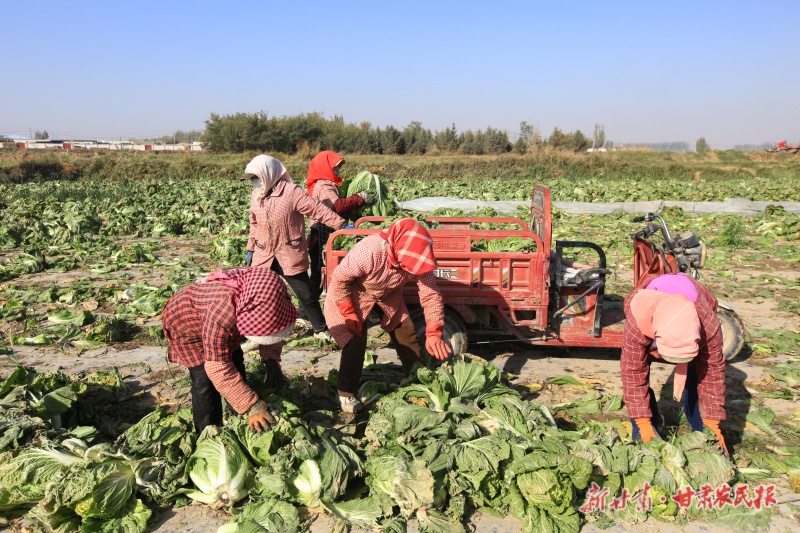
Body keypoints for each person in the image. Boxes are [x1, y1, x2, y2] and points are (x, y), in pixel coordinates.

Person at [324, 218, 452, 413]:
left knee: (407, 331)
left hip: (388, 295)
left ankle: (417, 381)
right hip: (352, 294)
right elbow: (340, 281)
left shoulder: (419, 255)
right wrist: (349, 313)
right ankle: (345, 393)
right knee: (355, 340)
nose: (411, 269)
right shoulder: (369, 251)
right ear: (396, 249)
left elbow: (430, 294)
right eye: (407, 264)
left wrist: (434, 331)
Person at [162, 267, 297, 433]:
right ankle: (207, 432)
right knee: (204, 381)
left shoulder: (267, 295)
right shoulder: (222, 313)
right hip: (186, 325)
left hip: (217, 321)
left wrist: (271, 360)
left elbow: (272, 326)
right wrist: (252, 406)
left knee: (236, 363)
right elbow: (218, 367)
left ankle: (236, 419)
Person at [242, 154, 350, 344]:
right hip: (264, 253)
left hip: (288, 252)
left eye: (256, 177)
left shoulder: (291, 192)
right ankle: (261, 332)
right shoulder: (257, 194)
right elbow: (254, 223)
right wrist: (251, 247)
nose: (254, 182)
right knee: (261, 294)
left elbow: (316, 209)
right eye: (252, 179)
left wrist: (340, 224)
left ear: (268, 173)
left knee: (306, 295)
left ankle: (320, 329)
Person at [621, 272, 728, 455]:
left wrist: (713, 422)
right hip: (651, 322)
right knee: (637, 371)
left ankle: (701, 428)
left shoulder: (709, 325)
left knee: (700, 374)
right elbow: (632, 372)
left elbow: (713, 372)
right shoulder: (637, 321)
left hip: (697, 317)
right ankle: (647, 426)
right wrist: (642, 423)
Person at [304, 150, 375, 325]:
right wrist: (359, 198)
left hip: (325, 231)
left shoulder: (324, 184)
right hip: (323, 233)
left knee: (320, 275)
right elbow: (336, 207)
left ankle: (307, 311)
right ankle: (307, 312)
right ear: (326, 167)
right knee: (320, 275)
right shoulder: (324, 186)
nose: (338, 171)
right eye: (335, 168)